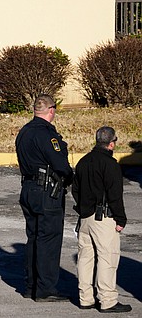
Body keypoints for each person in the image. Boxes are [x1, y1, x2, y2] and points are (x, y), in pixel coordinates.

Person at [15, 94, 73, 302]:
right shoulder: (47, 135)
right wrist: (70, 176)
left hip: (29, 188)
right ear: (51, 110)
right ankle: (45, 289)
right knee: (49, 240)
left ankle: (31, 286)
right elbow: (60, 165)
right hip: (47, 192)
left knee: (34, 238)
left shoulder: (24, 132)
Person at [72, 126, 131, 313]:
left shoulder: (83, 162)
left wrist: (83, 209)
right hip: (104, 218)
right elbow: (115, 195)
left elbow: (75, 190)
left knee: (85, 258)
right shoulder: (110, 165)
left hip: (85, 218)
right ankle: (107, 300)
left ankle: (85, 298)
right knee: (107, 258)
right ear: (111, 143)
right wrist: (120, 219)